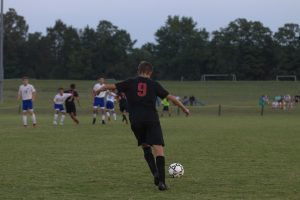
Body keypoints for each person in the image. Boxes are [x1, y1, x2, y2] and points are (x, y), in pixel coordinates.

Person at [95, 61, 190, 191]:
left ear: (138, 70)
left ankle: (155, 173)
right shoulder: (154, 84)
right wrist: (184, 109)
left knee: (146, 146)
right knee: (158, 149)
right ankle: (161, 182)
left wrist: (101, 88)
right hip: (151, 119)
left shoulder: (129, 82)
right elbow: (171, 98)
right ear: (150, 72)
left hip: (135, 120)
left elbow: (111, 86)